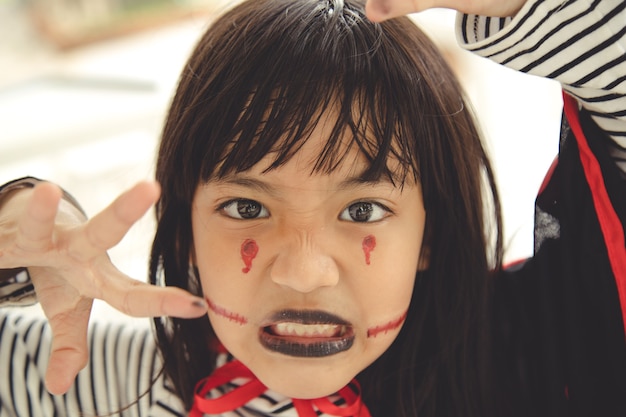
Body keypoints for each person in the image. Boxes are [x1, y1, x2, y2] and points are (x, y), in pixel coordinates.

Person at [0, 0, 624, 416]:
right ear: (185, 226)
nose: (302, 273)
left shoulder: (534, 356)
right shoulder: (123, 382)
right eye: (246, 207)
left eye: (361, 212)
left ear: (428, 231)